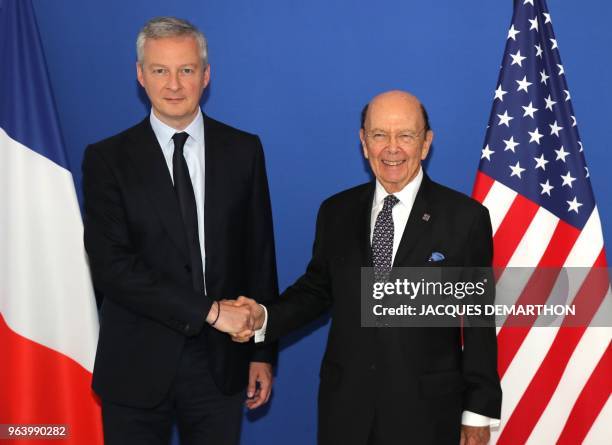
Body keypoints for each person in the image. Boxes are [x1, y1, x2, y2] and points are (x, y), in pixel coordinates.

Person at [232, 91, 502, 445]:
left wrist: (478, 413)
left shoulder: (465, 219)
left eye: (405, 135)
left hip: (427, 412)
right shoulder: (336, 212)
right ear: (364, 142)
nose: (392, 148)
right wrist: (263, 319)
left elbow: (479, 320)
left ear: (425, 143)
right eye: (379, 135)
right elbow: (316, 291)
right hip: (346, 409)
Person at [82, 17, 278, 445]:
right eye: (160, 70)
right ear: (140, 75)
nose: (174, 84)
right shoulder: (107, 160)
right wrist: (211, 311)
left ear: (205, 76)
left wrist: (262, 351)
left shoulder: (244, 150)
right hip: (136, 363)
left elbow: (259, 256)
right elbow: (114, 269)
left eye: (186, 70)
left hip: (221, 362)